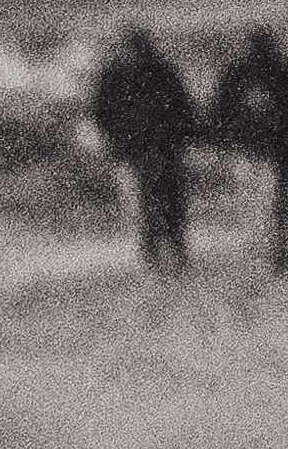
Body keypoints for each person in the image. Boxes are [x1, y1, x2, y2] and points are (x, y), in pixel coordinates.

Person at [208, 25, 288, 269]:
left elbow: (218, 111)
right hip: (280, 147)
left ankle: (270, 247)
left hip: (254, 148)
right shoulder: (285, 69)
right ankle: (277, 246)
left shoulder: (239, 72)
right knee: (277, 199)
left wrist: (222, 139)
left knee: (259, 199)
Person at [87, 24, 203, 273]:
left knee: (160, 200)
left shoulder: (137, 74)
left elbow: (101, 114)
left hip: (152, 148)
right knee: (156, 201)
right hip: (145, 149)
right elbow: (101, 114)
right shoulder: (129, 75)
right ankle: (161, 249)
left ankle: (165, 249)